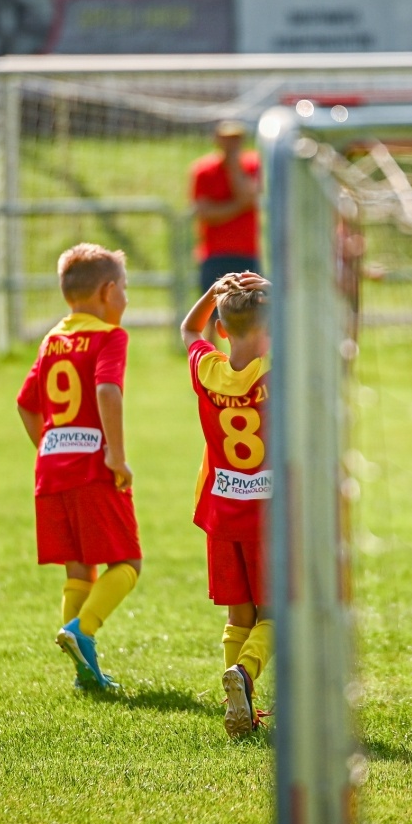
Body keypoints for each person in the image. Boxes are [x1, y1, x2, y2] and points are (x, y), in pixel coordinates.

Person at [16, 243, 142, 692]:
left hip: (53, 472)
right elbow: (108, 390)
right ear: (108, 292)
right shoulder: (111, 337)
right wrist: (115, 454)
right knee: (127, 562)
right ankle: (81, 630)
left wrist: (49, 448)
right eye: (125, 288)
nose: (126, 298)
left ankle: (83, 674)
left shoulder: (52, 338)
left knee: (78, 570)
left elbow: (26, 405)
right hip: (92, 471)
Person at [180, 273, 273, 738]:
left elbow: (187, 331)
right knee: (278, 612)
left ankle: (238, 706)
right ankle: (245, 675)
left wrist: (214, 294)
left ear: (221, 328)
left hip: (221, 511)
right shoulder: (277, 370)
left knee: (239, 615)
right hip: (269, 517)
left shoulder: (208, 369)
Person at [189, 120, 262, 294]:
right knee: (214, 313)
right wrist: (240, 206)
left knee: (252, 313)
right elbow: (206, 213)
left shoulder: (254, 165)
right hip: (216, 253)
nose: (231, 144)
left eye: (235, 138)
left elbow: (249, 196)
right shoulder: (204, 170)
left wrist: (235, 169)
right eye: (226, 138)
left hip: (250, 252)